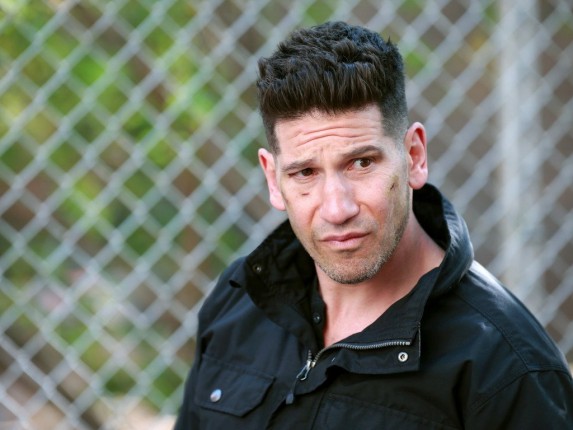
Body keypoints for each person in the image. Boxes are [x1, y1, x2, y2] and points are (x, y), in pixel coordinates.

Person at [174, 21, 573, 429]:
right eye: (305, 173)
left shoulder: (506, 368)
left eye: (361, 163)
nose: (337, 209)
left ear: (414, 156)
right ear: (273, 179)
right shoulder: (239, 302)